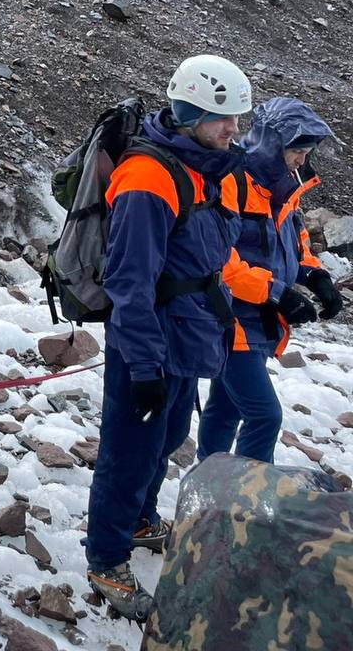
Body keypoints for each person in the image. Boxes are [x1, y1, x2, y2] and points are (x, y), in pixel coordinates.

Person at [85, 55, 251, 622]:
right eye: (220, 117)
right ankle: (107, 558)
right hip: (149, 340)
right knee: (129, 453)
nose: (233, 129)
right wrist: (144, 366)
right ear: (187, 114)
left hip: (188, 333)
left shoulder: (207, 167)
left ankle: (136, 519)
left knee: (169, 434)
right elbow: (130, 283)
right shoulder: (148, 177)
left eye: (237, 118)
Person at [198, 97, 339, 463]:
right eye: (298, 151)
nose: (302, 161)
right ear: (274, 145)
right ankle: (248, 500)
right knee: (264, 415)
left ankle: (208, 492)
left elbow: (294, 239)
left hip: (259, 320)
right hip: (229, 317)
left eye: (307, 152)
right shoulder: (232, 181)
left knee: (225, 408)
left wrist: (315, 275)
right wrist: (279, 294)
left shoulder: (282, 187)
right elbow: (218, 260)